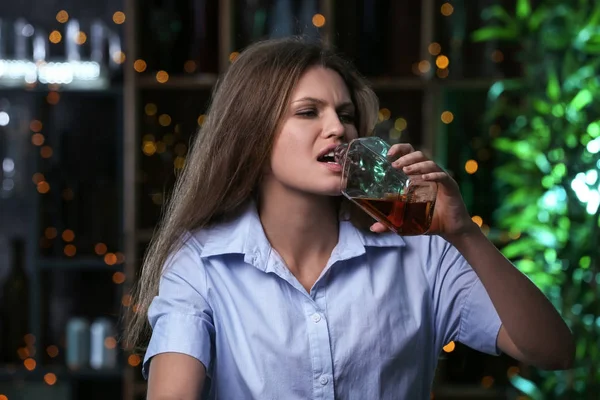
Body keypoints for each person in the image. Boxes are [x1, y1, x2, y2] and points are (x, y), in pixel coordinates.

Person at [125, 37, 574, 400]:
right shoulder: (202, 264)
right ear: (252, 136)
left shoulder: (423, 250)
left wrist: (465, 234)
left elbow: (553, 351)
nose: (339, 128)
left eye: (345, 115)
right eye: (307, 112)